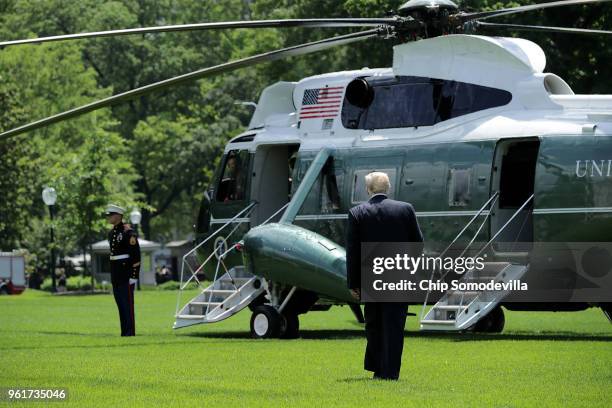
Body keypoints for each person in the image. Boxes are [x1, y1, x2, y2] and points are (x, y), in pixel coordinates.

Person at [346, 172, 423, 380]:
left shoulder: (357, 212)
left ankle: (378, 369)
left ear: (368, 189)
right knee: (394, 327)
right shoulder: (406, 209)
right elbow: (417, 243)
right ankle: (390, 372)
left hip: (371, 277)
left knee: (374, 325)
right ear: (388, 188)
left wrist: (353, 283)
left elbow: (353, 251)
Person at [105, 204, 141, 336]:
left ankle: (130, 332)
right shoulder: (112, 233)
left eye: (111, 215)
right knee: (120, 304)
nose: (108, 217)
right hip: (116, 274)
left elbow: (136, 255)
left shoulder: (128, 232)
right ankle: (124, 332)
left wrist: (134, 276)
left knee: (127, 305)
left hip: (126, 274)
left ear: (119, 216)